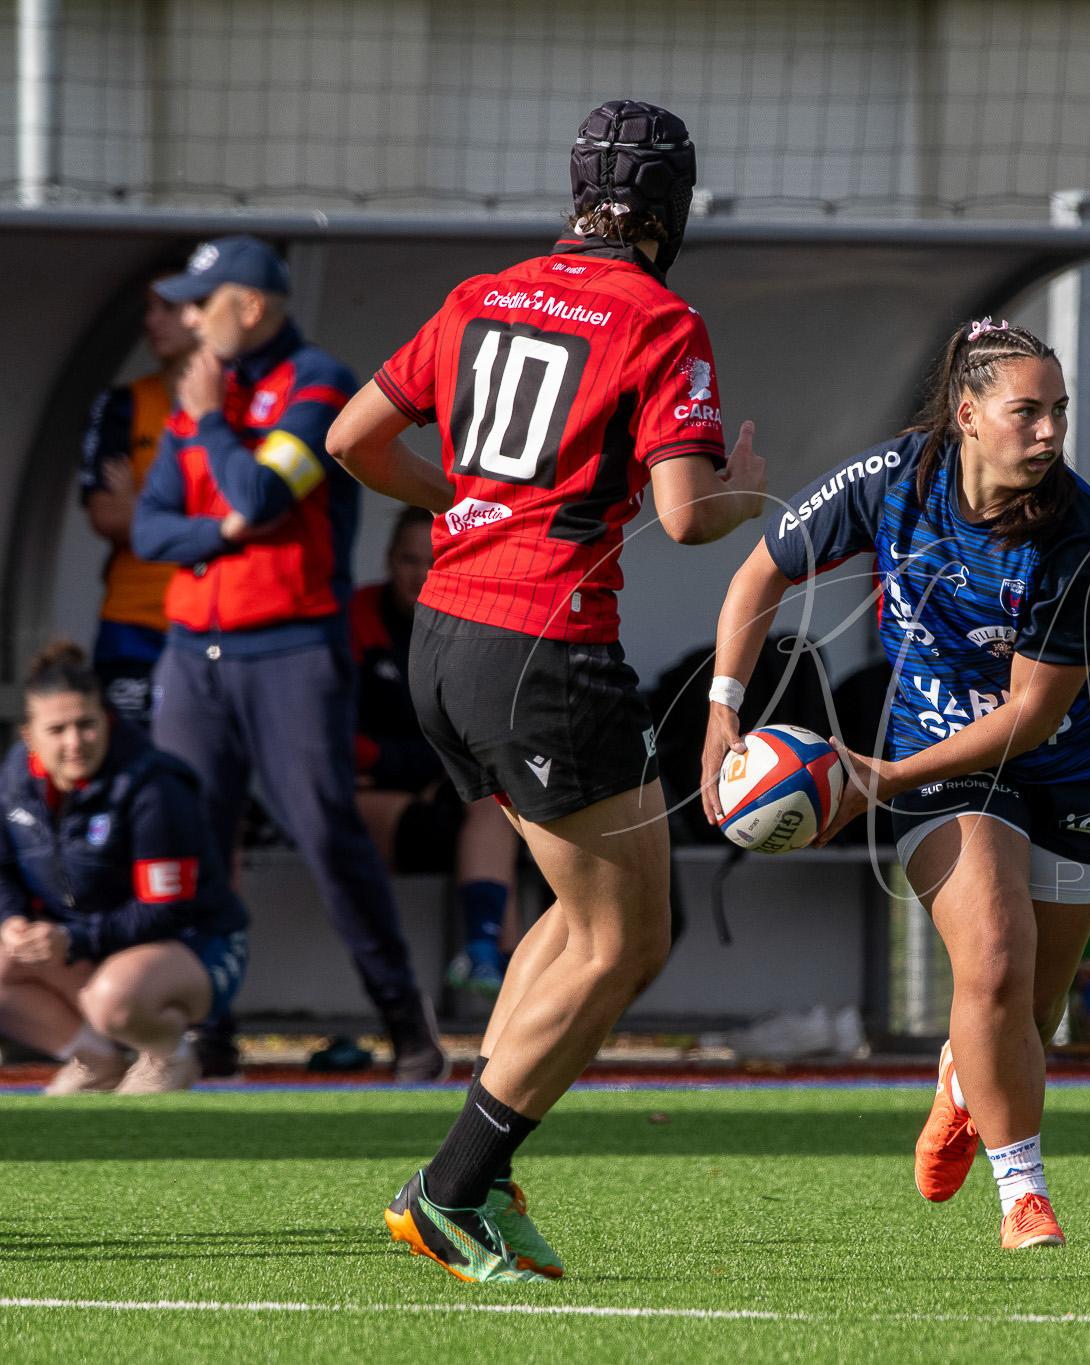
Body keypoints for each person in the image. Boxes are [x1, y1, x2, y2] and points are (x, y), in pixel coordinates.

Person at [330, 99, 767, 1284]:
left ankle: (483, 1175)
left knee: (583, 925)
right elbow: (684, 515)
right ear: (672, 209)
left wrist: (455, 505)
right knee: (630, 939)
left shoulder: (485, 294)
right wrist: (747, 493)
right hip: (542, 646)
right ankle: (451, 1189)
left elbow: (350, 439)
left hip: (444, 636)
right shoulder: (661, 317)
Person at [703, 318, 1090, 1252]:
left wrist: (877, 776)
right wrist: (723, 713)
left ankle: (961, 1081)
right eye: (1029, 412)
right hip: (937, 746)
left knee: (1031, 1010)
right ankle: (1024, 1197)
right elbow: (760, 571)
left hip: (1070, 758)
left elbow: (1028, 718)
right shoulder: (894, 479)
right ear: (968, 415)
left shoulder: (1080, 532)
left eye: (1058, 410)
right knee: (996, 957)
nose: (1051, 431)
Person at [129, 235, 444, 1083]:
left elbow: (262, 497)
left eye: (204, 301)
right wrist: (220, 529)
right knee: (191, 841)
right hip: (193, 653)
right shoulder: (208, 388)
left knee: (325, 833)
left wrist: (206, 428)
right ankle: (209, 1032)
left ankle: (408, 1029)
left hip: (291, 650)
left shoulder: (317, 384)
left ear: (253, 306)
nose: (190, 318)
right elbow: (149, 527)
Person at [0, 642, 249, 1095]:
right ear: (29, 736)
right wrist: (12, 921)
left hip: (194, 941)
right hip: (92, 943)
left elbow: (168, 910)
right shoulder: (16, 777)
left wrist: (72, 939)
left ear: (108, 721)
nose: (74, 742)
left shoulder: (154, 786)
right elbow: (3, 870)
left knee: (114, 999)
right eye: (57, 729)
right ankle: (93, 1057)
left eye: (86, 724)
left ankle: (169, 1055)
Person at [351, 507, 520, 997]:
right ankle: (504, 973)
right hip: (370, 795)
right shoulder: (357, 615)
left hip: (448, 792)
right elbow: (331, 735)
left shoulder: (469, 623)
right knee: (476, 829)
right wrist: (410, 765)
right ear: (387, 560)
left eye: (433, 559)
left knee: (499, 806)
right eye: (408, 559)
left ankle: (487, 956)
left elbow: (486, 733)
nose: (419, 572)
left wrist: (435, 770)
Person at [78, 268, 196, 732]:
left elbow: (254, 515)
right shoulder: (122, 405)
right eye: (148, 307)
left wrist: (143, 507)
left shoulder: (249, 405)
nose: (151, 321)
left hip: (214, 624)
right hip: (133, 625)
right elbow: (106, 514)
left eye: (167, 307)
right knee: (129, 761)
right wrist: (207, 523)